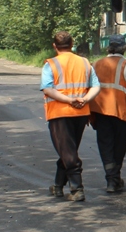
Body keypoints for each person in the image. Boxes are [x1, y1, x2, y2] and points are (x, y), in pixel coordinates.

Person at [42, 31, 100, 202]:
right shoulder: (84, 62)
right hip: (81, 113)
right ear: (72, 44)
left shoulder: (50, 64)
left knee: (68, 152)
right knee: (68, 151)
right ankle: (58, 186)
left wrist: (68, 100)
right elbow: (96, 86)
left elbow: (47, 89)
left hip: (59, 114)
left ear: (54, 46)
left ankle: (77, 189)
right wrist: (84, 99)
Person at [89, 34, 126, 194]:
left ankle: (112, 179)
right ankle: (114, 179)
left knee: (105, 146)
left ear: (109, 48)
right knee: (119, 147)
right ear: (124, 49)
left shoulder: (96, 64)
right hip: (121, 113)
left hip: (100, 111)